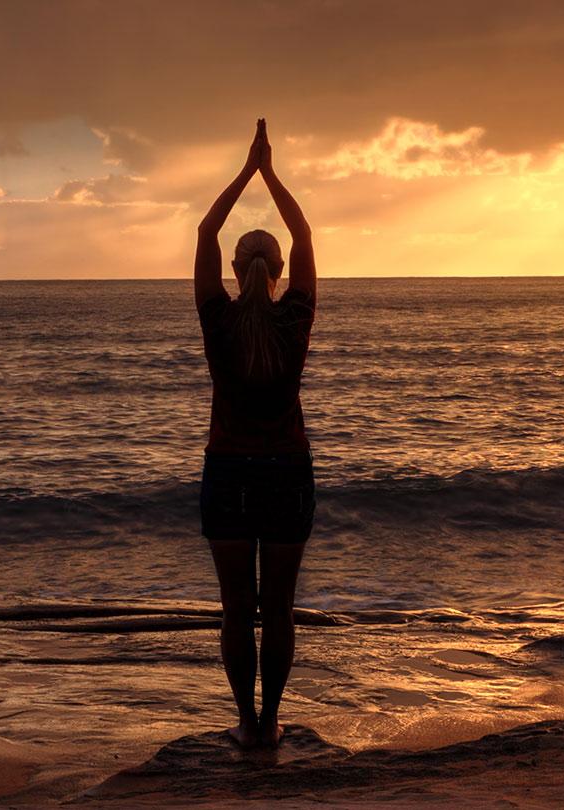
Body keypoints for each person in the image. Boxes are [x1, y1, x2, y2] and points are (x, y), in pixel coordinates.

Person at [194, 118, 317, 749]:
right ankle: (272, 722)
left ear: (237, 267)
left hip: (231, 473)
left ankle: (246, 722)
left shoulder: (216, 320)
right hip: (286, 473)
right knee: (280, 609)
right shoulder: (294, 317)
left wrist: (246, 171)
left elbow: (205, 231)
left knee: (238, 609)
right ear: (274, 273)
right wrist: (272, 172)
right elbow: (303, 233)